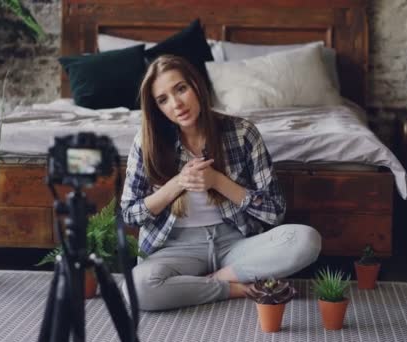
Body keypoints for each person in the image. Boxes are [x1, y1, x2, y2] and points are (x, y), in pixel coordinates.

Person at [121, 55, 321, 311]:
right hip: (176, 247)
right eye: (163, 100)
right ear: (156, 108)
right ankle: (236, 287)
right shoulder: (147, 141)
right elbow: (130, 214)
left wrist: (217, 181)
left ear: (196, 85)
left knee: (307, 240)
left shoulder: (242, 133)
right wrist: (179, 183)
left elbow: (275, 212)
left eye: (181, 89)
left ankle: (208, 282)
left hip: (235, 242)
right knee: (136, 289)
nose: (176, 104)